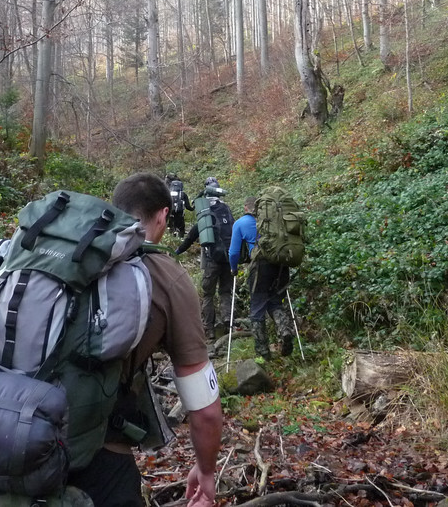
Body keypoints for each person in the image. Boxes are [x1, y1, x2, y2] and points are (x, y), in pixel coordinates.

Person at [68, 172, 223, 507]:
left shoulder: (65, 251)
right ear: (164, 215)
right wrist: (206, 471)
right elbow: (205, 409)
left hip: (5, 427)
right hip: (96, 454)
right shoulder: (167, 276)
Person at [229, 195, 294, 360]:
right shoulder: (273, 222)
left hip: (260, 267)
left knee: (257, 307)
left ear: (245, 208)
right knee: (275, 303)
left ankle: (263, 352)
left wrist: (234, 268)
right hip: (281, 265)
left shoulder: (241, 223)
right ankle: (284, 330)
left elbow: (234, 252)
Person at [174, 177, 235, 341]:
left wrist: (177, 251)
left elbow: (191, 237)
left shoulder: (204, 213)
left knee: (208, 294)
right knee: (225, 291)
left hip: (211, 260)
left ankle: (209, 330)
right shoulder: (226, 209)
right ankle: (228, 322)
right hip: (228, 258)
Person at [165, 173, 192, 237]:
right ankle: (180, 240)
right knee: (181, 228)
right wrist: (193, 207)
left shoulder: (168, 194)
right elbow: (188, 207)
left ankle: (171, 239)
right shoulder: (183, 194)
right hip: (180, 214)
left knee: (171, 226)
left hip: (170, 213)